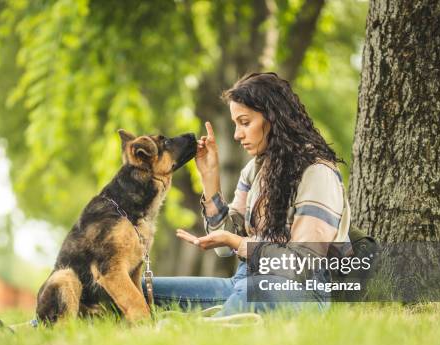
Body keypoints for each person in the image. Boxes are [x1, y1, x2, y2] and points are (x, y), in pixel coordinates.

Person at [143, 72, 351, 316]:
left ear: (273, 118)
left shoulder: (317, 172)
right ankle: (222, 317)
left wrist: (239, 243)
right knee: (142, 290)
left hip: (299, 290)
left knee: (254, 292)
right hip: (242, 282)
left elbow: (302, 264)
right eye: (235, 124)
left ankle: (208, 329)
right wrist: (210, 178)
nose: (237, 134)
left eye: (245, 122)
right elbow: (224, 247)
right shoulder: (255, 169)